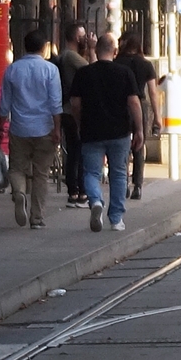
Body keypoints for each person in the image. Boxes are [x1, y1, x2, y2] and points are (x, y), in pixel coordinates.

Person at [68, 33, 141, 233]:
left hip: (92, 130)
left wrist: (79, 122)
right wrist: (139, 129)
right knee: (118, 173)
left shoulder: (84, 73)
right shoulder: (124, 73)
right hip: (119, 132)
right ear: (115, 51)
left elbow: (75, 103)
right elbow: (134, 102)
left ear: (97, 50)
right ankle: (116, 219)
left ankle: (96, 200)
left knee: (91, 172)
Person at [1, 27, 63, 229]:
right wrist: (57, 129)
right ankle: (37, 218)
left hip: (19, 128)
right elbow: (55, 103)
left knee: (17, 168)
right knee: (41, 174)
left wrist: (1, 128)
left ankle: (19, 192)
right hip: (44, 128)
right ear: (44, 47)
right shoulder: (50, 70)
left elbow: (4, 104)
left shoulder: (12, 69)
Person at [116, 32, 158, 201]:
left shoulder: (118, 63)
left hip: (121, 105)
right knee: (139, 145)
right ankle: (138, 186)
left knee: (123, 144)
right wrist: (157, 116)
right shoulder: (146, 65)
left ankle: (123, 182)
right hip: (140, 104)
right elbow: (153, 93)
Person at [54, 25, 90, 209]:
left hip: (66, 109)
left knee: (74, 150)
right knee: (79, 151)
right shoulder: (70, 55)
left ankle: (74, 190)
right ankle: (79, 191)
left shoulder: (65, 55)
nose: (86, 37)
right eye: (83, 35)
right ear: (76, 37)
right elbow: (92, 69)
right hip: (73, 110)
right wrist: (92, 49)